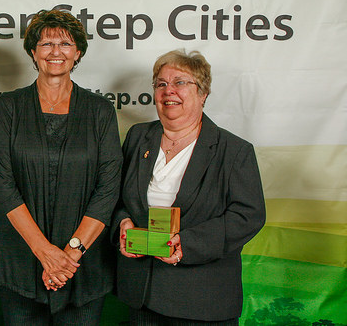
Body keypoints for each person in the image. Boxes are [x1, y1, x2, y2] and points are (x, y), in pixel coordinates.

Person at [0, 9, 123, 325]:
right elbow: (1, 184)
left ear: (77, 53)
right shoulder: (9, 107)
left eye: (65, 43)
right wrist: (45, 252)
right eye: (46, 43)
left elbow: (108, 187)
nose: (55, 51)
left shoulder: (100, 111)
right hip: (21, 263)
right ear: (33, 52)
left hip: (84, 267)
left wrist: (70, 257)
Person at [113, 49, 266, 325]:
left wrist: (188, 244)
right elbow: (116, 199)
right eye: (161, 84)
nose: (168, 91)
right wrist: (122, 224)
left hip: (201, 300)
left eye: (180, 82)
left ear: (203, 93)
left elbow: (248, 216)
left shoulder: (234, 150)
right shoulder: (138, 138)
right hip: (140, 296)